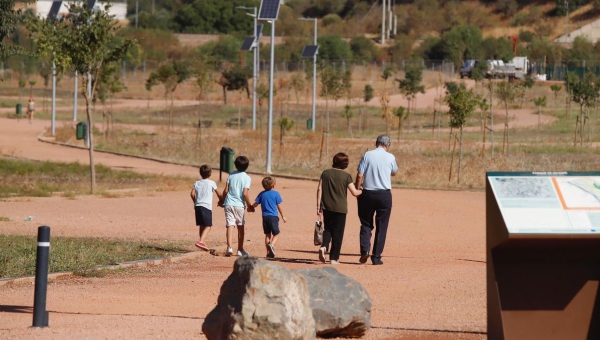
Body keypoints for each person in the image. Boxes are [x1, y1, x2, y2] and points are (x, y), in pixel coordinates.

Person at [355, 134, 398, 265]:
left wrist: (357, 190)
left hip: (368, 193)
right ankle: (376, 257)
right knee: (382, 226)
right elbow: (394, 172)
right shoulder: (390, 157)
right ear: (388, 145)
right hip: (384, 195)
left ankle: (364, 250)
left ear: (376, 143)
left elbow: (359, 175)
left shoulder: (368, 155)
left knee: (366, 223)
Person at [316, 152, 362, 265]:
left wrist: (318, 206)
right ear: (345, 164)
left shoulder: (325, 173)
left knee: (327, 229)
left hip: (326, 206)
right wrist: (362, 189)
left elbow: (319, 189)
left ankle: (324, 246)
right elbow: (355, 193)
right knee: (338, 233)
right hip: (340, 208)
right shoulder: (346, 176)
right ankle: (334, 258)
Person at [219, 156, 254, 257]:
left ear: (235, 165)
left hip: (228, 203)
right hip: (239, 205)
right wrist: (249, 206)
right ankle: (240, 249)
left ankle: (229, 247)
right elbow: (245, 193)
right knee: (240, 226)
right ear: (247, 166)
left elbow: (225, 190)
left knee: (230, 225)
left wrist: (221, 200)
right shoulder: (247, 178)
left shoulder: (231, 175)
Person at [252, 176, 287, 259]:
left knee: (267, 235)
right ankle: (272, 245)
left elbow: (255, 204)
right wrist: (283, 216)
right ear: (273, 185)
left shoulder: (261, 194)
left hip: (265, 217)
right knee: (276, 233)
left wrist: (251, 207)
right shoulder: (276, 194)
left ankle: (268, 253)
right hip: (273, 217)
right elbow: (279, 206)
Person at [190, 164, 222, 251]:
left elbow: (192, 194)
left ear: (200, 173)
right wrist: (222, 201)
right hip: (206, 206)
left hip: (198, 206)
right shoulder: (212, 183)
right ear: (210, 173)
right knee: (208, 226)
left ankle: (202, 243)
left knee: (201, 225)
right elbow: (219, 194)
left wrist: (195, 202)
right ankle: (201, 241)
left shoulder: (197, 182)